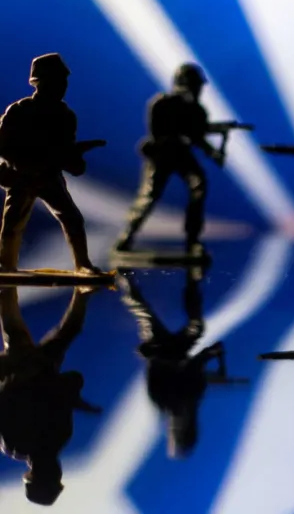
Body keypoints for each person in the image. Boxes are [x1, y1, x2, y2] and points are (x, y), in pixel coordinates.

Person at [0, 53, 102, 274]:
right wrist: (20, 165)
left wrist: (75, 160)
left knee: (73, 219)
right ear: (41, 82)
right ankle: (5, 265)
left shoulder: (65, 115)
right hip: (22, 178)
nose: (62, 86)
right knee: (12, 224)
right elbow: (3, 145)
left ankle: (82, 264)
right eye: (57, 81)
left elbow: (65, 149)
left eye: (63, 82)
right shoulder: (19, 111)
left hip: (48, 177)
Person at [0, 285, 100, 505]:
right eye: (57, 476)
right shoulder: (59, 436)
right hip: (40, 367)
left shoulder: (17, 444)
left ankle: (6, 279)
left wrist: (28, 373)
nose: (57, 471)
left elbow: (6, 395)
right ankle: (83, 291)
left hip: (17, 368)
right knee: (67, 331)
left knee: (17, 337)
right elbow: (64, 386)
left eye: (52, 476)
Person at [119, 269, 235, 457]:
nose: (177, 425)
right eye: (181, 431)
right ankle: (192, 279)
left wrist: (207, 356)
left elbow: (174, 369)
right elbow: (196, 373)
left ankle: (124, 279)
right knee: (196, 325)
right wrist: (213, 358)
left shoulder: (164, 401)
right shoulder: (191, 399)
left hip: (160, 348)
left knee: (145, 313)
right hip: (177, 350)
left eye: (175, 431)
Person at [115, 63, 224, 255]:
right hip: (162, 155)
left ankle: (192, 240)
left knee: (199, 185)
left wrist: (213, 151)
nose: (198, 89)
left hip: (181, 154)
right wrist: (186, 134)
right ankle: (127, 236)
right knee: (150, 196)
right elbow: (157, 133)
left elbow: (199, 138)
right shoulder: (162, 104)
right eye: (194, 84)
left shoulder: (198, 110)